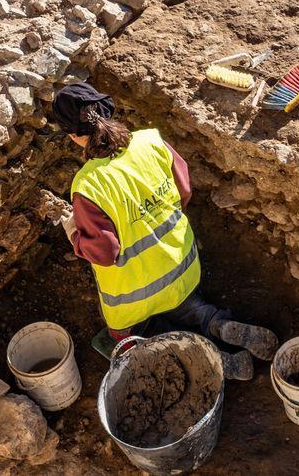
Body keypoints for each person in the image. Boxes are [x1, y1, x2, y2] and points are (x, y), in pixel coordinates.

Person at [51, 82, 278, 380]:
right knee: (183, 302)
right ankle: (216, 323)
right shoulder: (151, 142)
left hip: (131, 296)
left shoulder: (88, 185)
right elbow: (183, 190)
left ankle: (218, 361)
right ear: (108, 111)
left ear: (72, 135)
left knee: (131, 336)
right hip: (181, 266)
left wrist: (74, 234)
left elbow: (105, 253)